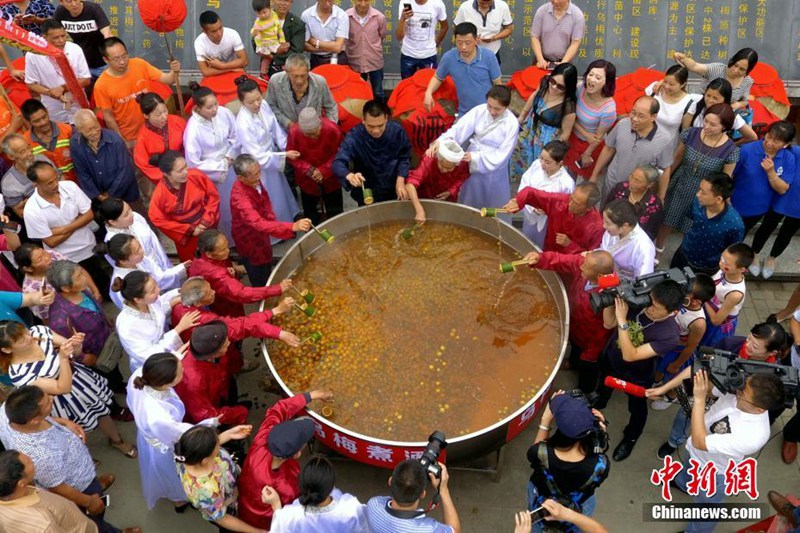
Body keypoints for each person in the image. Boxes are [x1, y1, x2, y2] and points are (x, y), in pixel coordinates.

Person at [652, 368, 784, 533]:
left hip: (714, 472)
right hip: (696, 451)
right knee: (688, 469)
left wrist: (699, 400)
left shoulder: (754, 435)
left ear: (759, 409)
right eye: (742, 386)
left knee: (707, 510)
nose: (737, 391)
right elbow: (711, 391)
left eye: (743, 393)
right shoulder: (740, 392)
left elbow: (701, 442)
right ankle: (683, 484)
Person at [0, 386, 141, 533]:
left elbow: (44, 419)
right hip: (76, 486)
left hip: (78, 470)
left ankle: (95, 484)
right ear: (34, 420)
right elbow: (59, 487)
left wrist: (63, 422)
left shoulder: (7, 411)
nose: (52, 398)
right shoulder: (39, 455)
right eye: (48, 402)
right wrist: (89, 501)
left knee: (95, 491)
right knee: (93, 520)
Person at [653, 322, 789, 458]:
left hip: (737, 409)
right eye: (749, 338)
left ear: (772, 352)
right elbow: (700, 367)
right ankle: (674, 441)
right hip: (709, 391)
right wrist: (666, 389)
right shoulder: (730, 344)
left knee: (712, 434)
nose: (747, 345)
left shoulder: (774, 376)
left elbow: (767, 403)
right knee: (685, 415)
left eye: (755, 346)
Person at [0, 321, 135, 454]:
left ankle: (117, 440)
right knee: (73, 430)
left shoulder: (39, 331)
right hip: (60, 400)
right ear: (7, 349)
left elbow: (74, 352)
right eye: (21, 340)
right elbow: (62, 388)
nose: (29, 337)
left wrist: (76, 344)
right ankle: (83, 459)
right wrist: (63, 359)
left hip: (79, 378)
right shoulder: (19, 373)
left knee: (101, 411)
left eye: (26, 332)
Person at [593, 280, 683, 461]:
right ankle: (600, 401)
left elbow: (630, 355)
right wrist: (610, 301)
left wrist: (622, 320)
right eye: (650, 300)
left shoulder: (669, 335)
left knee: (637, 408)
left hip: (638, 374)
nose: (649, 307)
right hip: (612, 357)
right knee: (603, 383)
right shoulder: (637, 301)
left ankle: (631, 436)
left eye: (656, 307)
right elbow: (608, 324)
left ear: (673, 312)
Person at [521, 249, 615, 393]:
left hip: (592, 340)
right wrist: (539, 258)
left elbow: (607, 327)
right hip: (575, 325)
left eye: (585, 266)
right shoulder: (584, 264)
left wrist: (592, 352)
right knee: (575, 349)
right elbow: (561, 260)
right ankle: (572, 363)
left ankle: (584, 393)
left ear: (600, 275)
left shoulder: (610, 294)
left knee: (588, 366)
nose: (581, 266)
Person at [238, 389, 332, 528]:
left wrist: (313, 395)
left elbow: (279, 409)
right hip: (265, 521)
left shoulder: (262, 440)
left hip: (244, 505)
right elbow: (292, 513)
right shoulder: (289, 486)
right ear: (297, 454)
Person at [657, 104, 740, 253]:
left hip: (705, 191)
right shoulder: (691, 134)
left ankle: (684, 251)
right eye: (705, 121)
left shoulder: (731, 151)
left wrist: (726, 204)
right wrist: (664, 182)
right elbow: (676, 159)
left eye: (713, 124)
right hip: (681, 182)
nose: (706, 126)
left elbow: (725, 180)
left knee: (693, 225)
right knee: (668, 217)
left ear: (724, 127)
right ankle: (659, 246)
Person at [23, 161, 111, 296]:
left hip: (88, 247)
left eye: (56, 178)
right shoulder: (31, 209)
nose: (55, 184)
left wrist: (61, 230)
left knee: (103, 284)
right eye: (49, 183)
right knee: (82, 294)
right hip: (64, 258)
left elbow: (89, 215)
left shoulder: (70, 187)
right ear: (36, 184)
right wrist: (77, 221)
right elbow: (51, 242)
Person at [527, 391, 609, 532]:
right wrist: (600, 433)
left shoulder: (540, 453)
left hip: (543, 502)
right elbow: (597, 455)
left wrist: (545, 422)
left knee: (537, 526)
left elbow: (536, 450)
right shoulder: (601, 465)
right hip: (579, 506)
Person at [126, 352, 197, 511]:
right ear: (166, 384)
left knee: (160, 472)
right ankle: (179, 498)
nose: (184, 370)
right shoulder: (157, 416)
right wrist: (208, 425)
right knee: (171, 473)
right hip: (163, 444)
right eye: (180, 372)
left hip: (149, 435)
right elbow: (176, 433)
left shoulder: (140, 375)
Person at [430, 85, 517, 211]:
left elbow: (503, 154)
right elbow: (458, 129)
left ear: (506, 107)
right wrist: (441, 141)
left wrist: (476, 157)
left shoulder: (511, 123)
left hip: (493, 167)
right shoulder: (479, 111)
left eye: (497, 109)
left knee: (493, 202)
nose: (492, 111)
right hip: (472, 159)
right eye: (490, 106)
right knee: (471, 199)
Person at [231, 154, 312, 287]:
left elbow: (265, 201)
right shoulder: (240, 199)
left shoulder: (253, 181)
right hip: (250, 238)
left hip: (262, 233)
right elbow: (258, 223)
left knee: (266, 261)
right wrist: (291, 227)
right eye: (254, 174)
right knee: (258, 270)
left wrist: (272, 220)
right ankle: (264, 294)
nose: (259, 177)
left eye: (259, 172)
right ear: (241, 178)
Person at [45, 259, 125, 392]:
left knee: (115, 368)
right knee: (106, 379)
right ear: (66, 288)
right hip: (94, 356)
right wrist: (83, 357)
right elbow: (65, 346)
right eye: (79, 277)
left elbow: (95, 307)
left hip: (105, 340)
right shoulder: (60, 319)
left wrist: (104, 318)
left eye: (81, 273)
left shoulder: (81, 290)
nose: (84, 278)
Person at [733, 121, 797, 278]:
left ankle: (766, 258)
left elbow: (782, 188)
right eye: (769, 136)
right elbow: (731, 175)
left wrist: (771, 172)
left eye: (776, 140)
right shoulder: (747, 150)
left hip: (760, 209)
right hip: (738, 205)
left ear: (786, 144)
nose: (769, 142)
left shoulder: (787, 157)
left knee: (742, 235)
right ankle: (745, 255)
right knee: (735, 233)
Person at [234, 76, 300, 226]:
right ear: (242, 102)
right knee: (269, 197)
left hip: (272, 153)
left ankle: (287, 220)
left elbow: (275, 128)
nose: (256, 104)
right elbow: (256, 155)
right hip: (260, 164)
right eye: (251, 102)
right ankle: (275, 229)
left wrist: (286, 146)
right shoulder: (243, 123)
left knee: (280, 193)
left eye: (258, 98)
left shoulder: (263, 105)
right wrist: (283, 155)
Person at [93, 37, 181, 146]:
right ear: (106, 60)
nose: (122, 62)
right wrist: (122, 142)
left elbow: (168, 80)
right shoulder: (101, 85)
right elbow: (108, 117)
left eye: (124, 56)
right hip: (130, 139)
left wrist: (174, 71)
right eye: (116, 59)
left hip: (153, 130)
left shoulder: (139, 64)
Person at [189, 229, 295, 319]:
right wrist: (277, 288)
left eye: (227, 246)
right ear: (209, 254)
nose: (228, 251)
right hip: (225, 307)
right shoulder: (216, 275)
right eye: (223, 250)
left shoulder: (200, 259)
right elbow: (242, 294)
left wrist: (226, 270)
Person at [174, 424, 261, 532]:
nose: (219, 445)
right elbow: (223, 519)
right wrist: (257, 531)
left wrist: (230, 434)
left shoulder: (186, 455)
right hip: (232, 508)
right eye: (216, 445)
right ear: (205, 460)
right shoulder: (204, 492)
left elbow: (205, 447)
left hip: (234, 484)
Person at [650, 273, 715, 411]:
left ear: (696, 302)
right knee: (658, 368)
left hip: (677, 351)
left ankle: (671, 395)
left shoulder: (698, 323)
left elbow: (691, 347)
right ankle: (657, 381)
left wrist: (677, 363)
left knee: (675, 377)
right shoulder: (680, 301)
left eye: (685, 296)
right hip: (665, 342)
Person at [114, 270, 200, 373]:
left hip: (168, 347)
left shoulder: (147, 302)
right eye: (153, 291)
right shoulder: (127, 327)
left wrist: (177, 297)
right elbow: (151, 355)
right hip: (156, 366)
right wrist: (178, 329)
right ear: (138, 299)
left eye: (156, 285)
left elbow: (159, 307)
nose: (158, 290)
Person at [589, 96, 674, 201]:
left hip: (636, 193)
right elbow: (608, 149)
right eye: (633, 112)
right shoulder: (622, 125)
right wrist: (594, 175)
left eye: (641, 116)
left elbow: (665, 169)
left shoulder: (664, 140)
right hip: (612, 184)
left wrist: (661, 196)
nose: (634, 118)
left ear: (653, 117)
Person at [183, 84, 238, 241]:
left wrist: (230, 155)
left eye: (216, 104)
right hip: (214, 173)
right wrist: (221, 165)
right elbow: (193, 162)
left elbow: (235, 135)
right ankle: (228, 238)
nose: (215, 109)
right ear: (198, 108)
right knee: (224, 207)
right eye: (209, 107)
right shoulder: (193, 129)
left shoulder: (224, 113)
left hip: (230, 162)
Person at [333, 99, 412, 205]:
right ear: (363, 120)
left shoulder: (397, 131)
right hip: (368, 188)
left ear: (386, 119)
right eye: (371, 126)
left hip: (394, 185)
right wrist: (350, 176)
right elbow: (338, 163)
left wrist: (401, 179)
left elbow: (405, 156)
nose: (376, 130)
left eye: (380, 125)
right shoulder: (354, 136)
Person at [0, 449, 98, 533]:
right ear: (21, 483)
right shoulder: (43, 525)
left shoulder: (13, 492)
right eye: (28, 461)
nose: (31, 459)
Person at [148, 150, 221, 262]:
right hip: (186, 234)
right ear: (166, 174)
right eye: (180, 171)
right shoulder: (159, 194)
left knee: (217, 252)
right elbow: (157, 218)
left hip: (206, 224)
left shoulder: (196, 176)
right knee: (195, 261)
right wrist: (189, 230)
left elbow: (212, 196)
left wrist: (205, 221)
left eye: (186, 167)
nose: (186, 172)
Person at [263, 455, 369, 532]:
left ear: (301, 484)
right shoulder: (351, 508)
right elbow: (365, 528)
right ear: (331, 484)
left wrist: (276, 504)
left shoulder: (289, 516)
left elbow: (279, 528)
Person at [173, 321, 247, 426]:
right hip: (211, 406)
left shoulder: (203, 346)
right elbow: (206, 415)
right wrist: (238, 414)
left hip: (222, 388)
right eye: (225, 345)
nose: (229, 344)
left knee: (231, 398)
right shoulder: (194, 382)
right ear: (213, 355)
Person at [69, 110, 144, 213]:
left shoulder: (114, 140)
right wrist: (98, 196)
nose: (95, 132)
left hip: (125, 194)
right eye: (89, 130)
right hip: (100, 199)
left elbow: (125, 170)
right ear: (79, 130)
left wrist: (110, 195)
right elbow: (82, 173)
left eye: (96, 126)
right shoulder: (75, 144)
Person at [511, 63, 577, 179]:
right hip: (531, 128)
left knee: (540, 170)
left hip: (546, 140)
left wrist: (554, 154)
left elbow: (565, 134)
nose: (554, 87)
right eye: (553, 81)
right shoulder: (545, 82)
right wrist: (522, 116)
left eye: (561, 87)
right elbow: (534, 95)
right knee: (519, 154)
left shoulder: (568, 106)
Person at [670, 174, 745, 275]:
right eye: (699, 189)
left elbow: (733, 251)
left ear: (718, 199)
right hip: (683, 254)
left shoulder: (735, 225)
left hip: (706, 269)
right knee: (672, 280)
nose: (698, 194)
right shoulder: (698, 202)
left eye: (703, 192)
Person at [504, 181, 604, 254]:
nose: (569, 204)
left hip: (572, 267)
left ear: (588, 208)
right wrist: (518, 201)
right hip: (549, 255)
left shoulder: (597, 227)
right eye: (571, 198)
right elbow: (530, 192)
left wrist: (570, 245)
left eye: (576, 204)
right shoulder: (559, 202)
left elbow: (592, 257)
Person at [424, 22, 501, 117]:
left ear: (476, 40)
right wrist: (428, 93)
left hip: (487, 112)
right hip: (464, 114)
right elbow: (438, 77)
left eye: (467, 43)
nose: (463, 47)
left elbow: (498, 85)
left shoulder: (489, 57)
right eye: (459, 43)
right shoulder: (449, 57)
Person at [365, 459, 461, 533]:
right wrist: (443, 490)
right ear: (423, 494)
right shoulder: (428, 530)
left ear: (390, 481)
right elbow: (455, 531)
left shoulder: (373, 505)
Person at [24, 19, 90, 124]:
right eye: (56, 38)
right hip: (54, 109)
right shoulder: (33, 55)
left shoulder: (74, 49)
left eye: (63, 36)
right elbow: (31, 83)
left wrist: (62, 88)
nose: (61, 40)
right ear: (44, 37)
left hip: (78, 105)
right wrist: (50, 93)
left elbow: (86, 80)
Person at [286, 108, 344, 226]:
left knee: (335, 211)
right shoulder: (294, 132)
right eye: (308, 134)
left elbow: (340, 152)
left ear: (320, 124)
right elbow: (292, 156)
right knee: (311, 212)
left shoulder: (332, 129)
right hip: (307, 178)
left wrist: (323, 170)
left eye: (315, 132)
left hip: (331, 175)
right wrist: (309, 170)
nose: (312, 136)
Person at [100, 234, 188, 309]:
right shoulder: (123, 285)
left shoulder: (140, 260)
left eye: (140, 247)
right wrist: (171, 302)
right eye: (136, 252)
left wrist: (182, 267)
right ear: (123, 261)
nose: (142, 252)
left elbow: (160, 277)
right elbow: (146, 311)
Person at [563, 60, 617, 179]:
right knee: (569, 174)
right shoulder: (580, 88)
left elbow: (597, 137)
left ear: (606, 82)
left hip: (590, 147)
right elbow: (569, 115)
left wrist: (587, 154)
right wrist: (585, 133)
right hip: (573, 138)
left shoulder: (609, 108)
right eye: (590, 74)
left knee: (588, 179)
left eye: (598, 77)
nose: (591, 80)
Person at [516, 140, 573, 248]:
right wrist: (531, 207)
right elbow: (525, 183)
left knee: (542, 245)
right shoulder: (536, 165)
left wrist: (548, 210)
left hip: (548, 222)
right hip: (530, 211)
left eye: (548, 162)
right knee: (526, 240)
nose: (542, 163)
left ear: (560, 163)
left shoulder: (566, 184)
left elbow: (565, 209)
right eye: (541, 158)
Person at [98, 197, 173, 275]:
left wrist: (165, 263)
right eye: (126, 214)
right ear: (112, 222)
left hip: (159, 260)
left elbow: (153, 241)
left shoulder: (135, 217)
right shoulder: (112, 242)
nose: (131, 214)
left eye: (130, 209)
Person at [265, 53, 339, 131]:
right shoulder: (275, 81)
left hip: (313, 132)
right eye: (295, 76)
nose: (299, 81)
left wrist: (329, 128)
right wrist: (287, 123)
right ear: (286, 72)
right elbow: (270, 106)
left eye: (303, 76)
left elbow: (331, 107)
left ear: (308, 71)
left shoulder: (320, 82)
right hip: (285, 131)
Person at [406, 139, 470, 224]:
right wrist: (419, 209)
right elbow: (410, 184)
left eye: (449, 168)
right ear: (438, 158)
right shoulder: (429, 159)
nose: (444, 170)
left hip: (446, 198)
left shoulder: (462, 164)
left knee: (446, 222)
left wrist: (451, 191)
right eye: (442, 166)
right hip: (425, 195)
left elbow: (462, 177)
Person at [701, 242, 752, 348]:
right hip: (710, 308)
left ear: (741, 269)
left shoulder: (735, 294)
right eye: (721, 259)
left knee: (706, 348)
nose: (721, 263)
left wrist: (703, 297)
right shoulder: (725, 270)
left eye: (726, 263)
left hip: (716, 324)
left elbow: (716, 321)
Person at [675, 48, 759, 112]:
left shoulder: (747, 81)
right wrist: (683, 58)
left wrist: (736, 105)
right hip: (697, 110)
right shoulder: (717, 69)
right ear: (732, 61)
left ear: (748, 71)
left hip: (720, 119)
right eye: (735, 65)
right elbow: (694, 66)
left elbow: (745, 101)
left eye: (742, 69)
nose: (736, 70)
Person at [133, 92, 187, 184]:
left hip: (185, 167)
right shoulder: (143, 137)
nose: (164, 116)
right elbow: (144, 165)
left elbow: (190, 143)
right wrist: (170, 177)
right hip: (164, 177)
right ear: (146, 115)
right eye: (158, 114)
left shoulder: (177, 121)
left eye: (165, 110)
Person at [682, 78, 757, 144]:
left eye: (715, 98)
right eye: (708, 95)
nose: (710, 100)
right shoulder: (696, 102)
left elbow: (752, 137)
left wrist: (731, 147)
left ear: (725, 100)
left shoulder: (730, 115)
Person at [21, 99, 78, 183]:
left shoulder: (68, 130)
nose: (43, 122)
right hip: (50, 190)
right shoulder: (25, 142)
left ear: (47, 111)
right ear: (28, 122)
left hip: (77, 185)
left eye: (44, 117)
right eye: (36, 121)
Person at [1, 133, 55, 219]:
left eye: (29, 147)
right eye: (22, 151)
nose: (29, 153)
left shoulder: (42, 159)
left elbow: (60, 180)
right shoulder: (8, 183)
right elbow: (21, 212)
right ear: (11, 156)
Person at [603, 165, 664, 241]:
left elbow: (651, 232)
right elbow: (606, 208)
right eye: (631, 176)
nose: (631, 182)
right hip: (608, 234)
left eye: (637, 180)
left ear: (649, 185)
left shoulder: (654, 205)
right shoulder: (620, 188)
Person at [54, 0, 112, 79]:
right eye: (69, 1)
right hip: (79, 66)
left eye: (76, 0)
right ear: (61, 2)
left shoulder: (93, 9)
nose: (74, 4)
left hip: (100, 64)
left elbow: (107, 34)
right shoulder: (60, 11)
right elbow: (53, 33)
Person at [600, 199, 655, 281]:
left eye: (608, 223)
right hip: (604, 273)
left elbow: (642, 280)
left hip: (625, 286)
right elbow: (603, 251)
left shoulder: (644, 247)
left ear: (625, 225)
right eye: (604, 221)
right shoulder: (611, 232)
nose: (603, 226)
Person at [16, 243, 72, 322]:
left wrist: (93, 288)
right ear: (28, 269)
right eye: (39, 259)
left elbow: (75, 269)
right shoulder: (31, 290)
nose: (47, 258)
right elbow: (46, 318)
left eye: (44, 252)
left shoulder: (52, 255)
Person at [395, 0, 448, 79]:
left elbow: (444, 26)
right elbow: (399, 37)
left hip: (428, 55)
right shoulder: (405, 2)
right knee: (407, 87)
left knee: (428, 86)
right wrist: (403, 19)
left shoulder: (437, 3)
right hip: (408, 54)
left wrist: (435, 44)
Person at [643, 65, 694, 148]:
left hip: (667, 148)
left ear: (683, 84)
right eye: (665, 81)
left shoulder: (688, 102)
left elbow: (684, 135)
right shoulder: (654, 89)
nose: (666, 86)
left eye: (671, 84)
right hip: (644, 142)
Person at [346, 0, 387, 101]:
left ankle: (380, 114)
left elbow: (382, 36)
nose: (363, 4)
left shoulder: (379, 17)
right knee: (357, 93)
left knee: (378, 92)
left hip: (374, 60)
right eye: (360, 0)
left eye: (366, 0)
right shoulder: (346, 17)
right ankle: (359, 116)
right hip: (354, 61)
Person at [530, 0, 584, 69]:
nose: (555, 1)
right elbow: (535, 37)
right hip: (542, 61)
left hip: (564, 61)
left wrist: (564, 62)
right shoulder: (542, 11)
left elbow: (575, 43)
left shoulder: (577, 15)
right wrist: (540, 59)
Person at [195, 11, 249, 78]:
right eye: (214, 31)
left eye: (220, 28)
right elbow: (205, 71)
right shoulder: (199, 42)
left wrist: (222, 66)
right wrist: (231, 69)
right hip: (216, 75)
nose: (219, 33)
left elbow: (244, 61)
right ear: (204, 32)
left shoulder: (232, 34)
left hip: (235, 74)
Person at [302, 0, 349, 67]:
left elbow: (338, 47)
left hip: (338, 59)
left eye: (330, 1)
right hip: (316, 60)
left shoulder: (342, 15)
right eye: (324, 1)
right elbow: (305, 46)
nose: (327, 4)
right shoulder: (306, 15)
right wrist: (332, 47)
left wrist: (315, 43)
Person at [267, 0, 307, 77]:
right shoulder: (264, 18)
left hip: (289, 69)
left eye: (287, 0)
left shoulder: (298, 24)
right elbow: (256, 43)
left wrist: (273, 56)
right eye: (280, 0)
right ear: (273, 1)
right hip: (267, 69)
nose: (283, 3)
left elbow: (297, 51)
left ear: (291, 3)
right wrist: (276, 50)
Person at [251, 0, 286, 79]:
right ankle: (263, 73)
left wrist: (282, 39)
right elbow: (253, 30)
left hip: (274, 41)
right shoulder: (258, 22)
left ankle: (284, 67)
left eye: (264, 12)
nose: (262, 15)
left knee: (282, 51)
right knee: (266, 59)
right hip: (265, 43)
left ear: (270, 8)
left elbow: (278, 28)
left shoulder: (274, 15)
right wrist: (254, 32)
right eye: (259, 13)